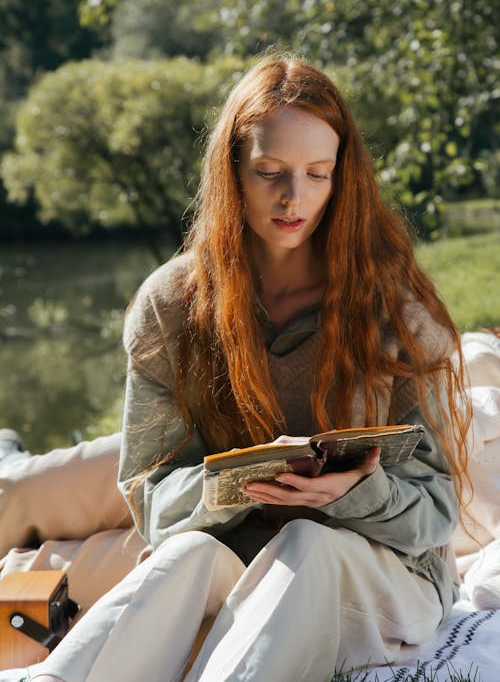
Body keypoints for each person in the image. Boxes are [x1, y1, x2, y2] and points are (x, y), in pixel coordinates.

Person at [13, 56, 472, 682]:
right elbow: (150, 499)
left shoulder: (395, 311)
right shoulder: (171, 305)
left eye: (317, 174)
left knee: (308, 543)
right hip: (237, 555)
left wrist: (353, 491)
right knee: (187, 558)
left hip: (386, 575)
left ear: (343, 178)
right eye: (269, 173)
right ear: (233, 171)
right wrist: (234, 484)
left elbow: (438, 509)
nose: (294, 197)